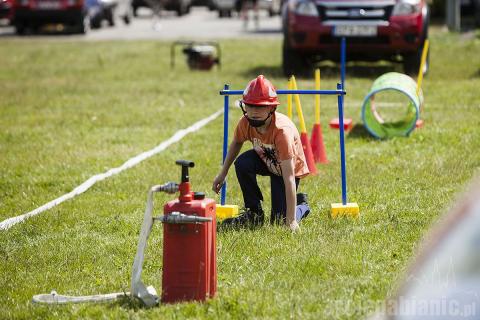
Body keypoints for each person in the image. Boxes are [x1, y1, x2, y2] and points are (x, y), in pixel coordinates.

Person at [212, 75, 311, 232]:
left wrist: (291, 220)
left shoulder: (282, 132)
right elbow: (237, 143)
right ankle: (254, 213)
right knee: (242, 163)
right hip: (266, 159)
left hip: (286, 169)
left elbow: (289, 178)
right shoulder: (245, 123)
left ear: (271, 108)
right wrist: (222, 174)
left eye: (260, 107)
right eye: (249, 106)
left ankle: (301, 206)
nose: (253, 111)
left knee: (279, 221)